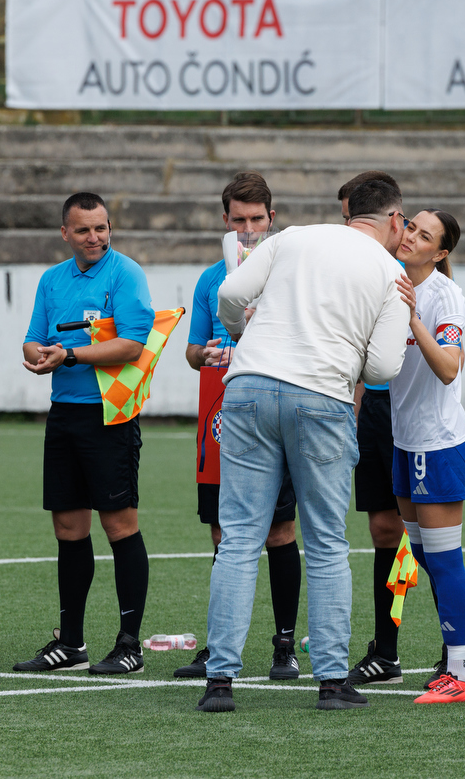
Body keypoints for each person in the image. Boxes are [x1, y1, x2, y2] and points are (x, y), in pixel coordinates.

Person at [196, 176, 410, 713]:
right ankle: (332, 681)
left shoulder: (291, 237)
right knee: (326, 541)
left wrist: (239, 334)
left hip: (246, 388)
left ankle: (220, 679)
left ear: (348, 214)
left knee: (240, 537)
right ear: (393, 219)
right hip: (322, 398)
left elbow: (229, 294)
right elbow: (384, 366)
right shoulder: (390, 270)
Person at [15, 192, 154, 676]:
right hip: (65, 414)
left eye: (101, 228)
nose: (94, 237)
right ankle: (70, 643)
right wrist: (36, 353)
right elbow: (33, 336)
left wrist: (69, 355)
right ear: (65, 233)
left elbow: (134, 344)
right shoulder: (52, 279)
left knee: (120, 527)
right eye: (83, 230)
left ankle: (130, 644)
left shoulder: (126, 273)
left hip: (109, 415)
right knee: (69, 529)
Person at [176, 172, 302, 682]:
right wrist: (203, 352)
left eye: (257, 219)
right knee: (224, 534)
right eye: (238, 220)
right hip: (221, 418)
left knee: (279, 531)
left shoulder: (293, 273)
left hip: (276, 413)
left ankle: (285, 646)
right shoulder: (212, 279)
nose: (248, 229)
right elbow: (191, 352)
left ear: (273, 219)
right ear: (225, 220)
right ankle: (218, 645)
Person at [390, 208, 465, 704]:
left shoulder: (443, 294)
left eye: (424, 235)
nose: (411, 236)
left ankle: (459, 672)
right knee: (421, 554)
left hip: (437, 442)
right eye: (410, 227)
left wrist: (412, 316)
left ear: (440, 253)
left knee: (444, 558)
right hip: (404, 439)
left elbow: (450, 368)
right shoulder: (389, 278)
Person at [338, 171, 420, 686]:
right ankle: (385, 651)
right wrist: (350, 410)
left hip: (416, 419)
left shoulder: (427, 282)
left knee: (433, 536)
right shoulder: (356, 270)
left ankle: (462, 644)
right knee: (384, 529)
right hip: (374, 415)